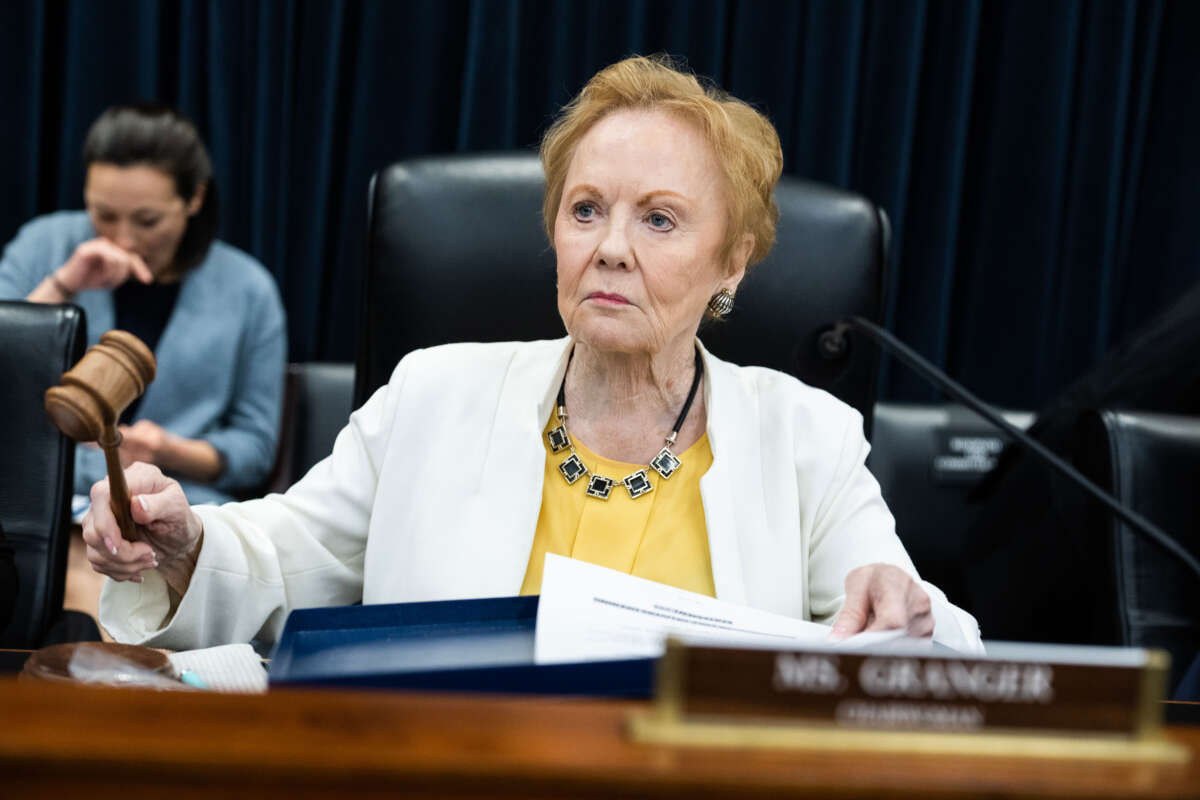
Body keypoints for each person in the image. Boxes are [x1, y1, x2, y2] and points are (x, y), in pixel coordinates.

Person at [83, 57, 982, 654]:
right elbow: (284, 556)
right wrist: (182, 539)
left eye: (659, 219)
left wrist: (906, 611)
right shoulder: (434, 393)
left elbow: (923, 634)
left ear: (732, 260)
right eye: (585, 209)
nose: (611, 247)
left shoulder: (807, 438)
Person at [0, 105, 286, 506]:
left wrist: (168, 450)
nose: (124, 239)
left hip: (173, 500)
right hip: (40, 490)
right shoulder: (42, 245)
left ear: (195, 197)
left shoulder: (248, 289)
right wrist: (62, 285)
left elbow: (254, 448)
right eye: (104, 215)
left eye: (147, 220)